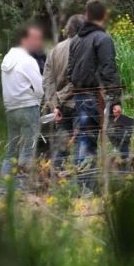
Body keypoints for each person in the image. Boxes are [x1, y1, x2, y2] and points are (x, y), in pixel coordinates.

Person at [67, 0, 122, 169]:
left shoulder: (75, 40)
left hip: (79, 97)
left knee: (84, 139)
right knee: (97, 141)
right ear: (103, 16)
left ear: (86, 15)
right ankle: (91, 185)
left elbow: (70, 71)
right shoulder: (103, 39)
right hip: (95, 97)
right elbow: (108, 69)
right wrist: (115, 100)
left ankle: (82, 184)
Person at [0, 24, 45, 181]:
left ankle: (3, 187)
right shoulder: (28, 60)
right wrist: (39, 100)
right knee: (27, 149)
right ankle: (22, 187)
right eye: (35, 39)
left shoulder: (6, 59)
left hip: (11, 109)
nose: (38, 43)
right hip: (28, 107)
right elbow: (40, 87)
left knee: (11, 150)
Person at [42, 14, 85, 168]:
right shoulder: (83, 48)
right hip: (79, 104)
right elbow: (79, 80)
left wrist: (54, 106)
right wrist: (59, 99)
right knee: (82, 145)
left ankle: (54, 182)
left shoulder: (54, 50)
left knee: (61, 148)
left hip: (61, 109)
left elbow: (47, 82)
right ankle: (82, 184)